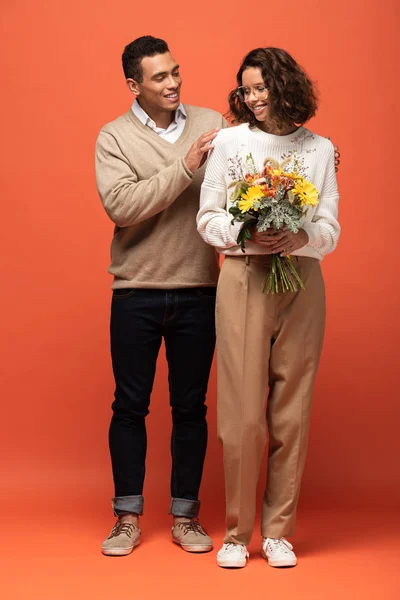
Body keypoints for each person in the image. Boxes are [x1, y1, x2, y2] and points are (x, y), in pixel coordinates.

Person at [197, 47, 340, 568]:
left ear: (284, 86)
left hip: (301, 282)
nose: (253, 99)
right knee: (240, 413)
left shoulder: (321, 149)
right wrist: (245, 228)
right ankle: (237, 534)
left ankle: (279, 531)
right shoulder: (230, 142)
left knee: (291, 411)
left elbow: (329, 229)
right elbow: (207, 216)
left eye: (261, 88)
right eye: (246, 90)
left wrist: (299, 234)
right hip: (243, 276)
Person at [95, 35, 228, 556]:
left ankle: (185, 516)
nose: (173, 83)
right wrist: (185, 167)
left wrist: (313, 153)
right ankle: (127, 518)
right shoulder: (113, 136)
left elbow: (251, 167)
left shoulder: (211, 121)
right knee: (129, 407)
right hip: (136, 292)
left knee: (190, 407)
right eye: (159, 77)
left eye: (175, 71)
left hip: (199, 288)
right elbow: (123, 206)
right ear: (134, 85)